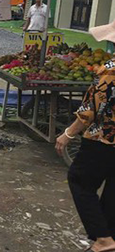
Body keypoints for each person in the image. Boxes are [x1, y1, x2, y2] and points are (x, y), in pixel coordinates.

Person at [56, 20, 115, 252]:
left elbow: (90, 110)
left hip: (104, 139)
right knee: (113, 189)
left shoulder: (110, 69)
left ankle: (103, 239)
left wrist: (68, 134)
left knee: (79, 180)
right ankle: (110, 237)